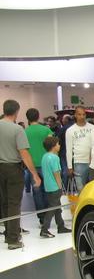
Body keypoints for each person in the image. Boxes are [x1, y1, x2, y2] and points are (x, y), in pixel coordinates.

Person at [0, 99, 42, 250]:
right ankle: (13, 239)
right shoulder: (17, 129)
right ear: (17, 111)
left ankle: (8, 233)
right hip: (13, 168)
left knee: (4, 202)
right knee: (14, 203)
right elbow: (24, 153)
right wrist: (35, 174)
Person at [39, 136, 70, 238]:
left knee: (57, 207)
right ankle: (44, 229)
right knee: (53, 208)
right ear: (53, 146)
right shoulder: (55, 158)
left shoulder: (44, 156)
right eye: (58, 144)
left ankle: (61, 226)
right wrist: (60, 186)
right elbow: (56, 173)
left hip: (48, 186)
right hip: (55, 186)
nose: (59, 146)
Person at [25, 108, 52, 223]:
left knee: (36, 191)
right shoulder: (46, 130)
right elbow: (52, 144)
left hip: (32, 165)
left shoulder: (24, 132)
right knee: (47, 189)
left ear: (27, 118)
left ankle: (41, 217)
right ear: (38, 116)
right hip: (46, 163)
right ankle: (48, 214)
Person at [65, 106, 94, 191]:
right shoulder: (70, 130)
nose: (82, 116)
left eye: (83, 114)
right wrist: (69, 167)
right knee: (80, 188)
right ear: (75, 115)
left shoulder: (93, 128)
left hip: (93, 162)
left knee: (93, 188)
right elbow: (69, 150)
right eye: (79, 114)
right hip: (78, 162)